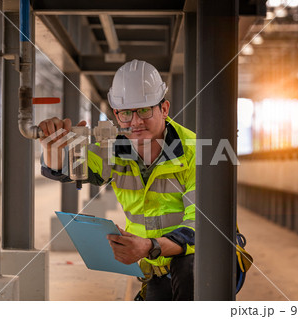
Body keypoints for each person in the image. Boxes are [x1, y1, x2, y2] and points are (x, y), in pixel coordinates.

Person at [39, 59, 196, 301]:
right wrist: (52, 147)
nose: (135, 122)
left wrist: (150, 246)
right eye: (126, 113)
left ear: (164, 109)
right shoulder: (114, 149)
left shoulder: (194, 151)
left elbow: (201, 230)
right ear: (116, 115)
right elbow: (69, 168)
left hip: (199, 264)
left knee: (191, 268)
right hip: (156, 267)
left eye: (144, 110)